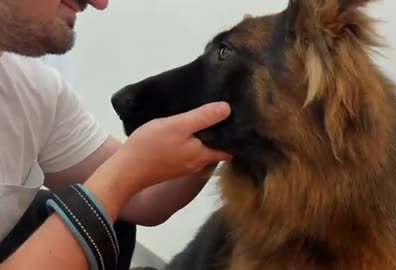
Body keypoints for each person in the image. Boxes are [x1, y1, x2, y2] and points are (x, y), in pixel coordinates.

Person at [0, 0, 233, 269]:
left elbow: (143, 197)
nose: (100, 3)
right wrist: (123, 175)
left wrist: (216, 124)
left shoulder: (35, 91)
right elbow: (123, 178)